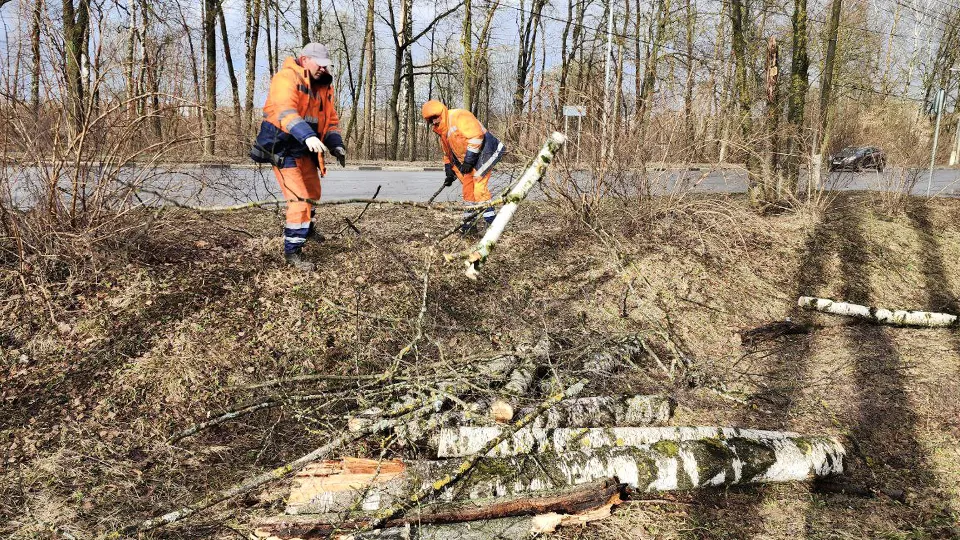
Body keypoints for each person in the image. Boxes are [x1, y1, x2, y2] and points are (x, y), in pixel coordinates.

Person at [251, 43, 346, 271]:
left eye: (326, 65)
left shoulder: (324, 88)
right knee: (300, 199)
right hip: (283, 148)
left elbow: (331, 121)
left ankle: (307, 228)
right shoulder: (286, 78)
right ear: (304, 59)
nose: (323, 69)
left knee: (313, 193)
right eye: (319, 65)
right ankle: (292, 251)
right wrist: (307, 136)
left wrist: (336, 145)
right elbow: (285, 111)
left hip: (306, 150)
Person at [420, 100, 506, 233]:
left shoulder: (458, 116)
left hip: (486, 150)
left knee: (479, 187)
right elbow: (448, 153)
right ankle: (469, 225)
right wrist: (449, 173)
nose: (435, 121)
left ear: (441, 112)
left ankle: (493, 225)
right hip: (471, 157)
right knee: (468, 190)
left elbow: (476, 137)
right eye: (431, 120)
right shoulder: (443, 132)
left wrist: (468, 161)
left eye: (436, 117)